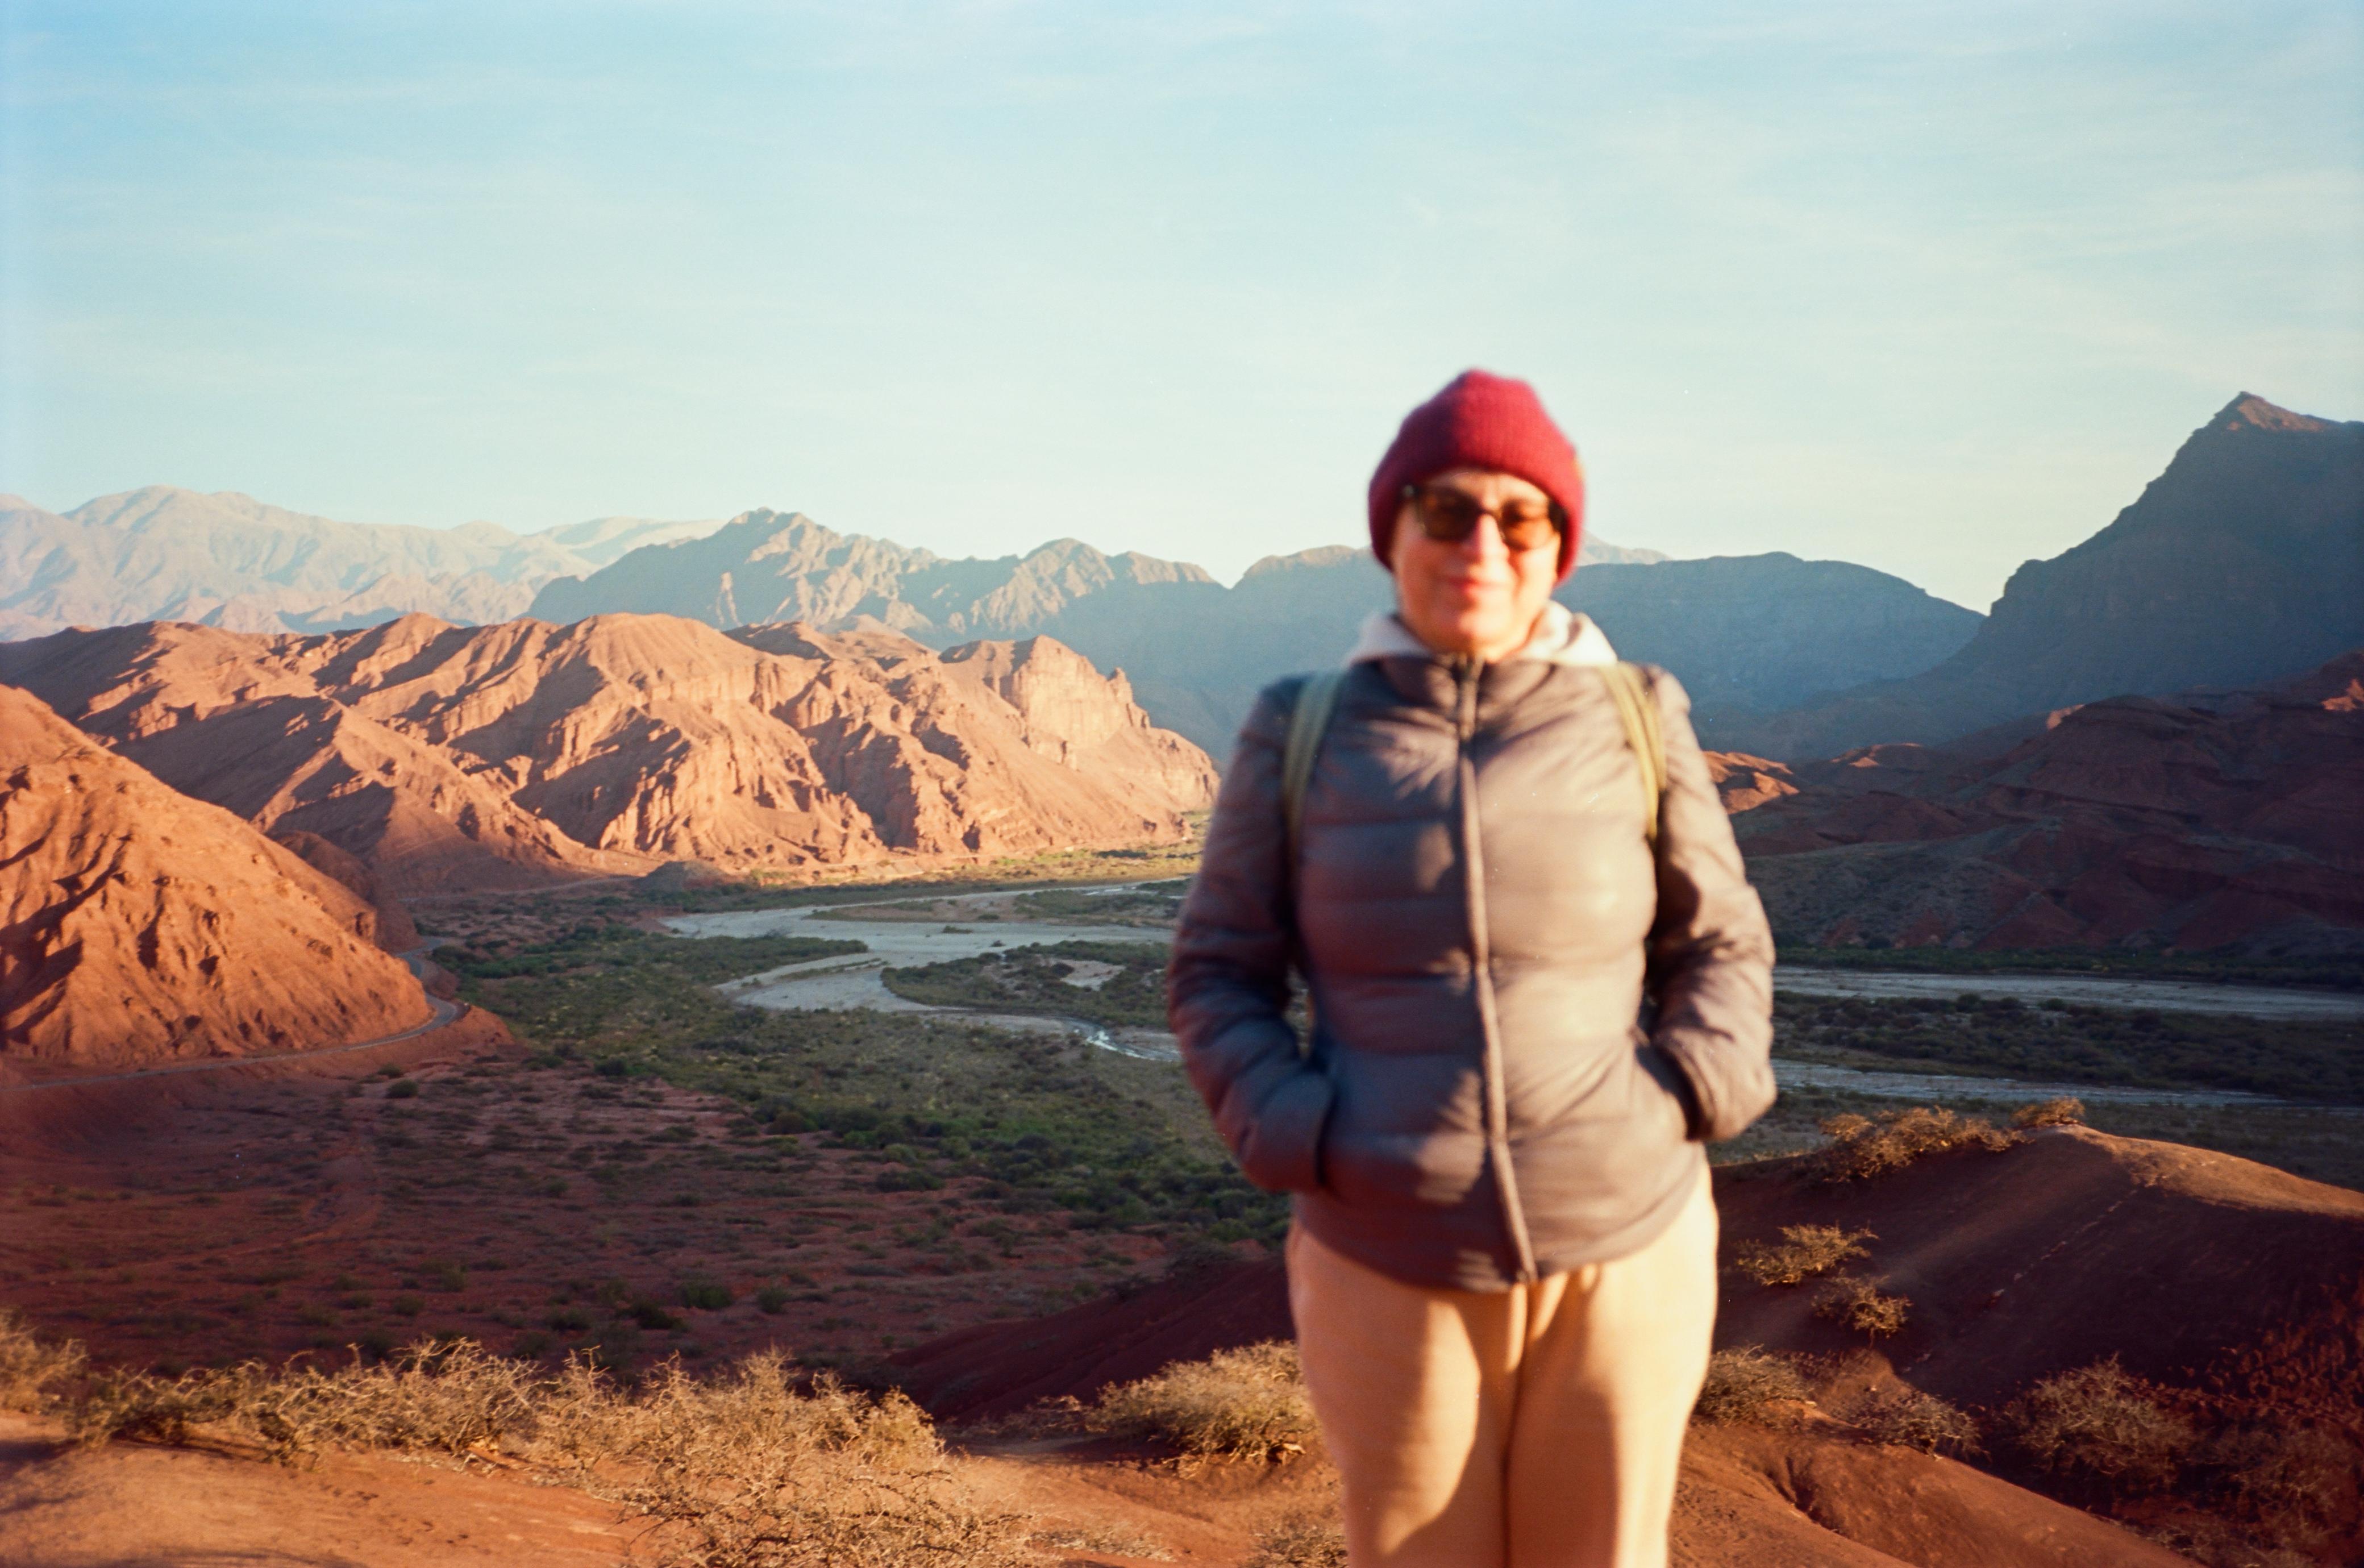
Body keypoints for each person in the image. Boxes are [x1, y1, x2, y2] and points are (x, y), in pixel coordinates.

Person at [1167, 369, 1775, 1568]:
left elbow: (1721, 944)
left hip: (1625, 1245)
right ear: (1392, 529)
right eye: (1445, 510)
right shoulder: (1300, 729)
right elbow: (1216, 971)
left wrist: (1687, 1100)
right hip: (1384, 1258)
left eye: (1521, 516)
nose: (1482, 542)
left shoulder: (1637, 715)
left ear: (1558, 544)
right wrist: (1299, 1132)